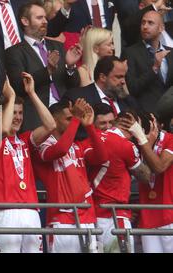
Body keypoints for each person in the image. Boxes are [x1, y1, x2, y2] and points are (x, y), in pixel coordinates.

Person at [0, 72, 56, 253]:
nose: (18, 117)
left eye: (20, 113)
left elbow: (51, 126)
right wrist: (12, 96)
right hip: (5, 210)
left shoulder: (24, 140)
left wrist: (31, 93)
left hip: (31, 210)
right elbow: (5, 129)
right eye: (13, 112)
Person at [32, 98, 108, 253]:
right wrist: (76, 120)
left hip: (87, 216)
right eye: (69, 118)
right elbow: (60, 150)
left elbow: (102, 157)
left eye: (75, 118)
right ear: (53, 119)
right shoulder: (42, 146)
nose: (75, 121)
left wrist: (89, 127)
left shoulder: (77, 146)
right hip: (61, 220)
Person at [5, 0, 81, 131]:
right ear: (25, 21)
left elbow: (73, 84)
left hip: (64, 114)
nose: (45, 21)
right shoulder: (14, 52)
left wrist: (70, 66)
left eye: (45, 17)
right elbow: (19, 86)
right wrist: (48, 71)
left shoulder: (57, 46)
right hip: (36, 117)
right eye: (39, 18)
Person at [89, 111, 152, 253]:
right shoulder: (125, 145)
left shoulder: (94, 137)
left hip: (93, 215)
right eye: (139, 128)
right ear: (131, 125)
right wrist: (143, 139)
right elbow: (146, 176)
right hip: (115, 217)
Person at [126, 114, 173, 253]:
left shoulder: (170, 139)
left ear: (156, 125)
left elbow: (159, 167)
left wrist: (144, 142)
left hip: (169, 215)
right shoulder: (136, 144)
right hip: (147, 218)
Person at [122, 10, 173, 115]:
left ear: (161, 28)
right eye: (143, 22)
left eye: (150, 23)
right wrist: (154, 68)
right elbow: (132, 88)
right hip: (147, 113)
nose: (145, 26)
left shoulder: (170, 52)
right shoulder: (130, 53)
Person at [64, 56, 139, 118]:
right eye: (119, 77)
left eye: (124, 77)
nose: (123, 82)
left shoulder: (129, 102)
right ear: (102, 77)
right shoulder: (77, 98)